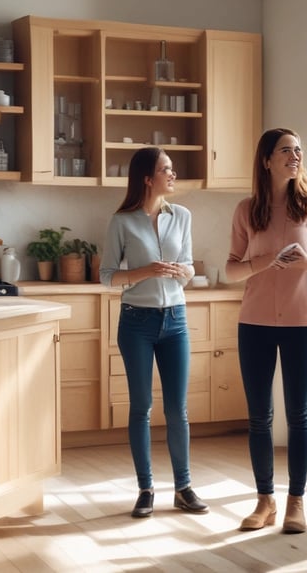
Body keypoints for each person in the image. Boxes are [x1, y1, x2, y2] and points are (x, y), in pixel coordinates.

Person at [226, 127, 307, 534]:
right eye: (286, 150)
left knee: (298, 414)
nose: (295, 156)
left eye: (299, 150)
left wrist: (304, 261)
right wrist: (267, 261)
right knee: (259, 417)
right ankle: (264, 500)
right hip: (253, 322)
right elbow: (231, 267)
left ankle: (296, 502)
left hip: (300, 323)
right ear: (267, 160)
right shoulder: (246, 210)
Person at [99, 147, 208, 519]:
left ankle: (183, 488)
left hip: (175, 319)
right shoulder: (122, 221)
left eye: (172, 170)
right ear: (148, 178)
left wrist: (182, 272)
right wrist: (146, 271)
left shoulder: (182, 216)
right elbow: (108, 276)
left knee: (178, 409)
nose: (173, 175)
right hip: (137, 322)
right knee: (142, 407)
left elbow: (191, 266)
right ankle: (145, 488)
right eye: (167, 170)